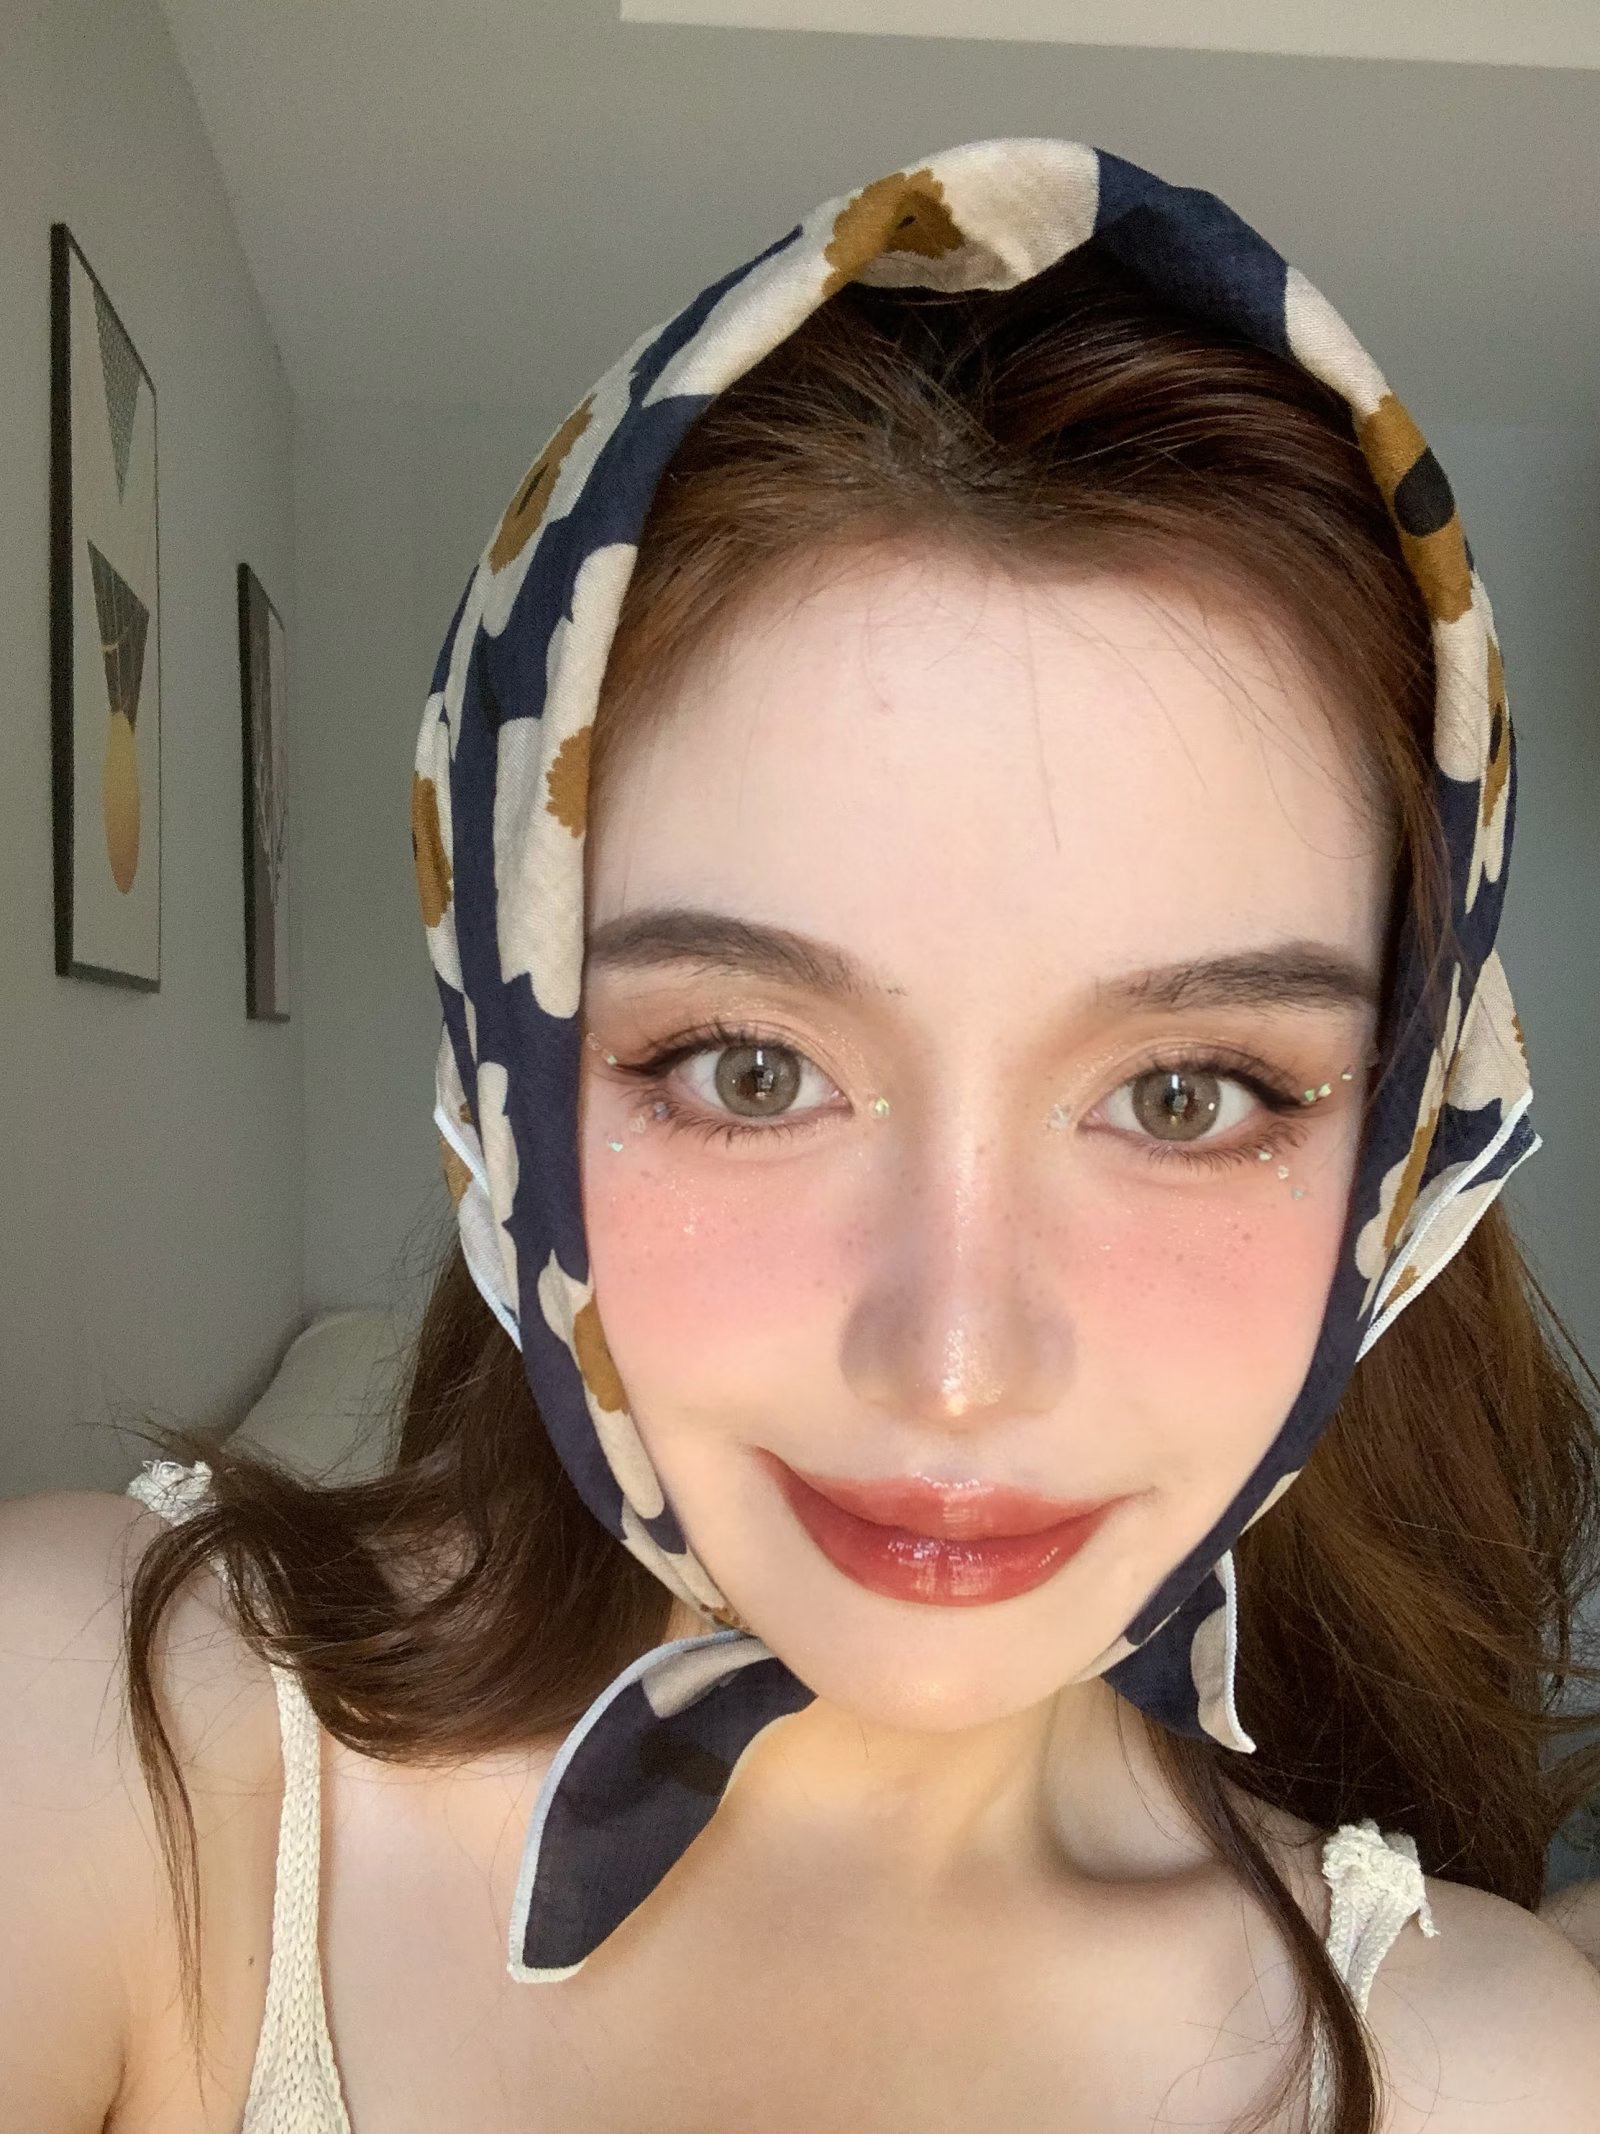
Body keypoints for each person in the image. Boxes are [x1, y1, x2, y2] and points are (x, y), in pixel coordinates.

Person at [4, 137, 1600, 2134]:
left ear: (1399, 1161)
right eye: (748, 1068)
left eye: (1185, 1095)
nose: (953, 1362)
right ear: (506, 1070)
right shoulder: (104, 1756)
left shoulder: (1483, 2070)